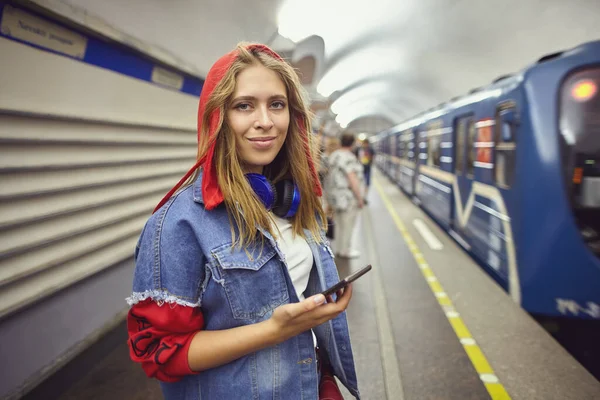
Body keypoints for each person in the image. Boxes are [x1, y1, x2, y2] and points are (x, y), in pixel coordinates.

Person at [126, 43, 360, 400]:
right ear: (217, 117)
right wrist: (274, 331)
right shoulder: (179, 224)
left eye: (276, 104)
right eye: (244, 105)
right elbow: (160, 354)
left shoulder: (295, 201)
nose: (265, 121)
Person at [325, 133, 364, 258]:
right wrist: (360, 198)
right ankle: (345, 250)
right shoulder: (349, 158)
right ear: (352, 144)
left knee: (340, 223)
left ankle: (338, 247)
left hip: (334, 196)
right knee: (348, 223)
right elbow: (352, 178)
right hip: (347, 197)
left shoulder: (334, 156)